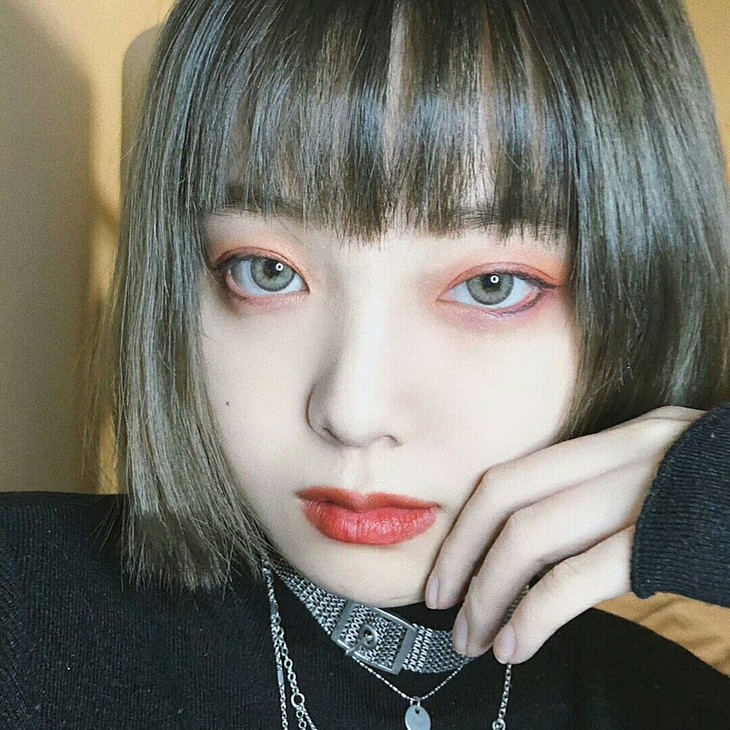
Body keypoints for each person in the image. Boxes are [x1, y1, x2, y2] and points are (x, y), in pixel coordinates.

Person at [2, 0, 729, 727]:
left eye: (492, 285)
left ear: (644, 295)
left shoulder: (678, 702)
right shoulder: (26, 610)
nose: (352, 412)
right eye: (266, 271)